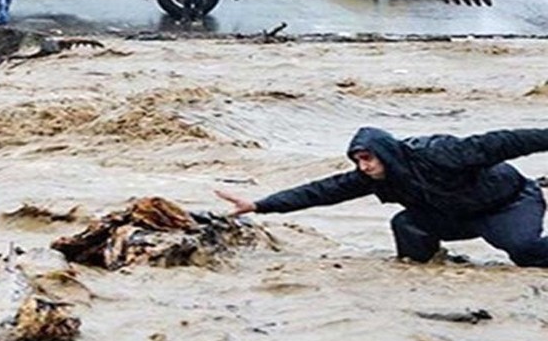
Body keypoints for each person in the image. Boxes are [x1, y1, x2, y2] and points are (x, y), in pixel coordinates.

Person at [215, 126, 548, 268]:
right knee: (407, 223)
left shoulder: (440, 152)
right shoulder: (373, 178)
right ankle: (426, 266)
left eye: (368, 159)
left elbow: (505, 142)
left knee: (522, 251)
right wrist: (260, 205)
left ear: (386, 154)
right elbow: (320, 191)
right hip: (456, 215)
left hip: (509, 203)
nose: (364, 166)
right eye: (358, 161)